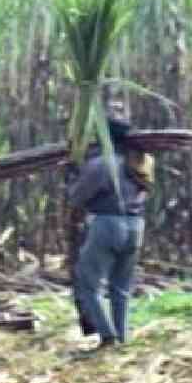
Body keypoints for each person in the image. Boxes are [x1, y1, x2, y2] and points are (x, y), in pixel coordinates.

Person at [67, 115, 154, 352]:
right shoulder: (143, 161)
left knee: (88, 284)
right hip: (136, 225)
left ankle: (107, 337)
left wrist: (73, 173)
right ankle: (122, 336)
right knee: (121, 287)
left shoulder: (101, 164)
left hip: (107, 224)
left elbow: (76, 198)